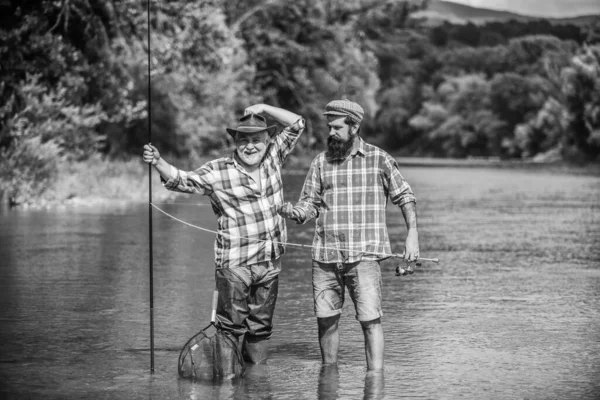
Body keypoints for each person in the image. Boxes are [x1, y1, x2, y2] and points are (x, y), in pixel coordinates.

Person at [143, 104, 305, 363]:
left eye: (256, 140)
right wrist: (159, 162)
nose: (250, 146)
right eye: (244, 140)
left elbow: (297, 123)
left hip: (270, 263)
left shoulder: (274, 156)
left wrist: (263, 107)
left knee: (261, 329)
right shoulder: (217, 170)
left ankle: (256, 383)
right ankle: (228, 382)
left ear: (268, 141)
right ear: (235, 141)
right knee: (230, 327)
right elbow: (182, 180)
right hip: (234, 265)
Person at [279, 99, 419, 371]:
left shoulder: (380, 159)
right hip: (325, 257)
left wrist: (412, 234)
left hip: (364, 259)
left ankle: (374, 381)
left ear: (354, 127)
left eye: (336, 127)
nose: (330, 132)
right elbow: (310, 204)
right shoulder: (320, 162)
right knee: (325, 320)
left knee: (370, 320)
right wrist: (295, 212)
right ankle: (328, 379)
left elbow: (405, 196)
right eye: (329, 127)